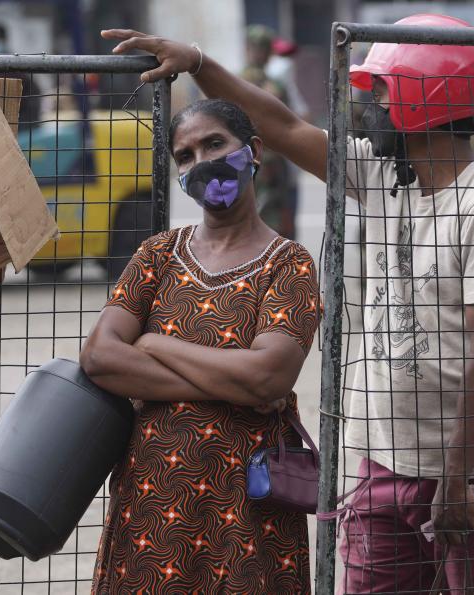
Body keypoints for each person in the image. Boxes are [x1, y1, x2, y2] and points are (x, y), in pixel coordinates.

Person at [102, 12, 474, 593]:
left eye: (380, 94)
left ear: (428, 99)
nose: (368, 108)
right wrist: (200, 65)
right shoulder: (380, 176)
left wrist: (455, 482)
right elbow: (279, 124)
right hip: (382, 465)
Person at [79, 99, 320, 593]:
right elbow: (100, 357)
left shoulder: (289, 264)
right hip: (151, 508)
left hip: (248, 516)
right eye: (185, 156)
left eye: (214, 144)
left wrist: (153, 343)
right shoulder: (157, 255)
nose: (200, 163)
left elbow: (268, 377)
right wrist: (236, 383)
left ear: (252, 151)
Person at [242, 25, 297, 240]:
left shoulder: (233, 82)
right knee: (275, 220)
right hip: (271, 160)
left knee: (250, 216)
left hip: (246, 159)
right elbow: (289, 124)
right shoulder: (275, 86)